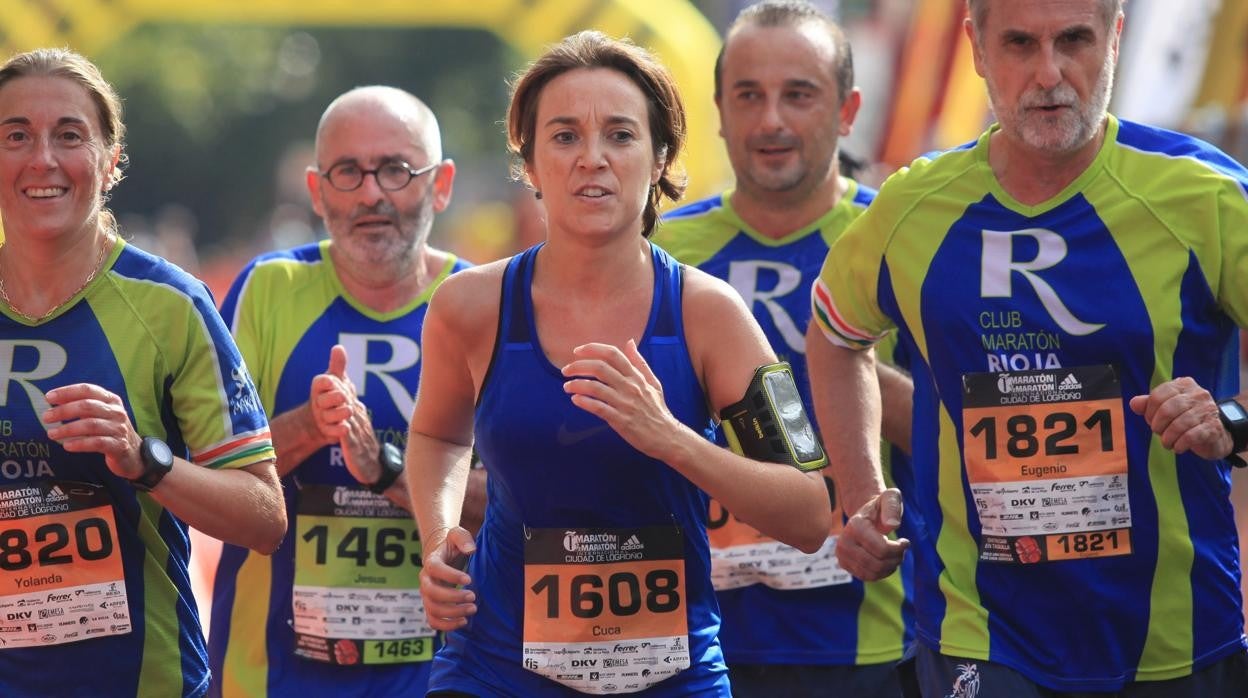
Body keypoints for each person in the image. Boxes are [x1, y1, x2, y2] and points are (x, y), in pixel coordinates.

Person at [807, 0, 1248, 695]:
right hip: (981, 633)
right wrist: (862, 493)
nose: (1049, 74)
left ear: (1115, 40)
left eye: (1074, 40)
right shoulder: (914, 207)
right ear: (978, 49)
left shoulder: (1204, 193)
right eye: (1019, 44)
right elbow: (836, 336)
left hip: (1175, 633)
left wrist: (1231, 420)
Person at [407, 30, 833, 697]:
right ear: (530, 160)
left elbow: (810, 512)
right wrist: (438, 538)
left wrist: (672, 439)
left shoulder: (710, 315)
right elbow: (437, 435)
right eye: (566, 136)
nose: (592, 159)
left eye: (621, 135)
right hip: (494, 669)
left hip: (669, 676)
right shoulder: (468, 307)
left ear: (661, 157)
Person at [0, 47, 285, 697]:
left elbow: (265, 516)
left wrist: (143, 460)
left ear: (110, 163)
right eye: (16, 135)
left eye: (69, 136)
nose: (42, 159)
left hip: (141, 682)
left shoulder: (171, 304)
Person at [652, 2, 917, 696]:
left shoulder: (906, 238)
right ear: (718, 110)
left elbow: (964, 434)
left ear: (847, 109)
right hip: (689, 644)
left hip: (874, 641)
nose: (771, 120)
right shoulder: (658, 254)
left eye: (798, 94)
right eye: (749, 95)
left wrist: (838, 359)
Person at [207, 86, 484, 697]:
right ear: (317, 191)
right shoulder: (268, 289)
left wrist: (385, 470)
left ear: (440, 184)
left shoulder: (483, 303)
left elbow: (516, 505)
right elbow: (210, 483)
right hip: (271, 674)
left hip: (445, 675)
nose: (371, 194)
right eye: (347, 172)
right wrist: (309, 425)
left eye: (395, 169)